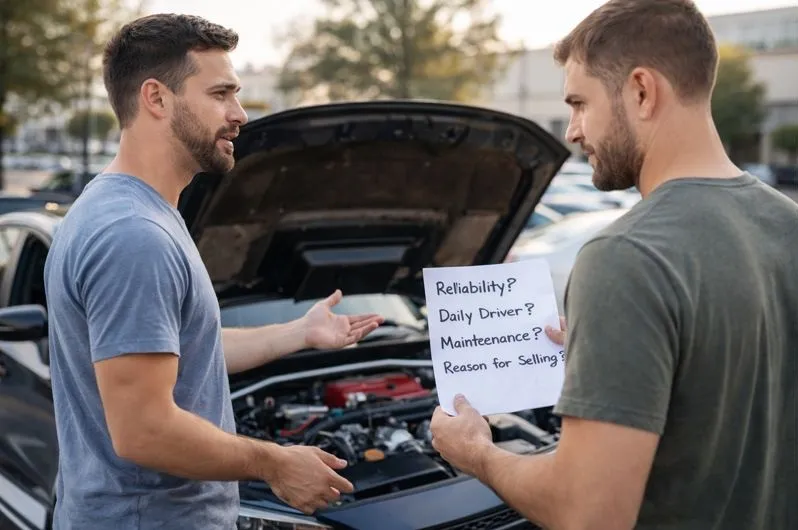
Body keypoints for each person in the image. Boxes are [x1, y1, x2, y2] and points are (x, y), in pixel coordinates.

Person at [429, 1, 796, 529]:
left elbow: (588, 514)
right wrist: (610, 350)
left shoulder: (625, 256)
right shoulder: (788, 223)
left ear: (642, 91)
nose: (572, 131)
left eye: (579, 104)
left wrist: (476, 453)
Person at [43, 13, 385, 530]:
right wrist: (273, 462)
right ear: (156, 98)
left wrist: (300, 332)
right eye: (221, 94)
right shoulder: (133, 235)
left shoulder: (133, 210)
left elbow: (180, 350)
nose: (239, 113)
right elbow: (144, 431)